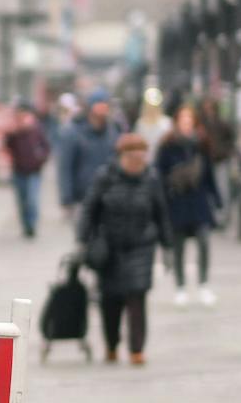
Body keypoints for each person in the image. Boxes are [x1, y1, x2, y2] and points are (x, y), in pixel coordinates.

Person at [78, 133, 172, 366]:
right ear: (121, 157)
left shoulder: (151, 178)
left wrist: (167, 245)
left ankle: (137, 350)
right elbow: (90, 209)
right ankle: (111, 345)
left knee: (137, 298)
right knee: (110, 300)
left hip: (142, 246)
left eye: (141, 157)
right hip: (110, 248)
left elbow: (161, 213)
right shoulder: (105, 177)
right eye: (132, 157)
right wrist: (83, 240)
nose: (137, 162)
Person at [154, 104, 222, 307]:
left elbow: (209, 174)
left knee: (204, 243)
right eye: (183, 119)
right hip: (177, 203)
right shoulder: (167, 145)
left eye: (189, 119)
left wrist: (217, 200)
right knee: (179, 248)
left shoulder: (201, 144)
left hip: (198, 202)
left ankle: (203, 284)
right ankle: (180, 287)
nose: (186, 123)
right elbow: (159, 174)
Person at [58, 90, 124, 217]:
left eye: (105, 106)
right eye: (99, 106)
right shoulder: (74, 132)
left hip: (109, 195)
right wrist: (67, 198)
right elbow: (66, 167)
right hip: (83, 197)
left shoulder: (113, 132)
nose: (102, 110)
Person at [2, 101, 51, 238]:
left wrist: (41, 160)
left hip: (34, 171)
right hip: (19, 171)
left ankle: (32, 225)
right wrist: (14, 132)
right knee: (22, 200)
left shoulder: (37, 129)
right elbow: (7, 145)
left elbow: (46, 147)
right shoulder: (15, 130)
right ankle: (25, 225)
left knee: (32, 200)